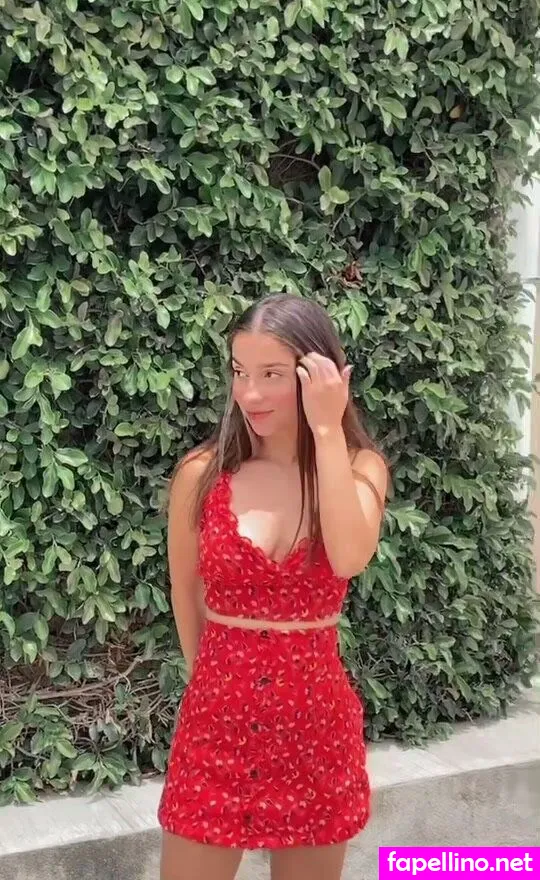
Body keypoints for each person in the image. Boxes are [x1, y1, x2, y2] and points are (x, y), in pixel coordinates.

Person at [157, 293, 388, 880]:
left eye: (271, 375)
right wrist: (213, 689)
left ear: (319, 376)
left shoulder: (359, 468)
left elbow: (349, 555)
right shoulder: (201, 475)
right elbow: (185, 592)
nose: (249, 393)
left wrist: (327, 430)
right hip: (216, 729)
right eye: (240, 372)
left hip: (317, 733)